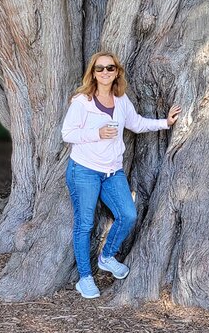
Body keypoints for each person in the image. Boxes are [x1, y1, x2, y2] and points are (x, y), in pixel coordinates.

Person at [61, 51, 181, 299]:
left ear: (117, 72)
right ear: (92, 73)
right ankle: (85, 278)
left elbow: (136, 124)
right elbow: (67, 134)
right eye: (100, 68)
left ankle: (107, 256)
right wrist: (96, 133)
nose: (105, 72)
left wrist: (165, 123)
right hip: (84, 170)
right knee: (85, 224)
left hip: (112, 171)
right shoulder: (82, 101)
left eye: (110, 68)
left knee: (128, 214)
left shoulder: (121, 99)